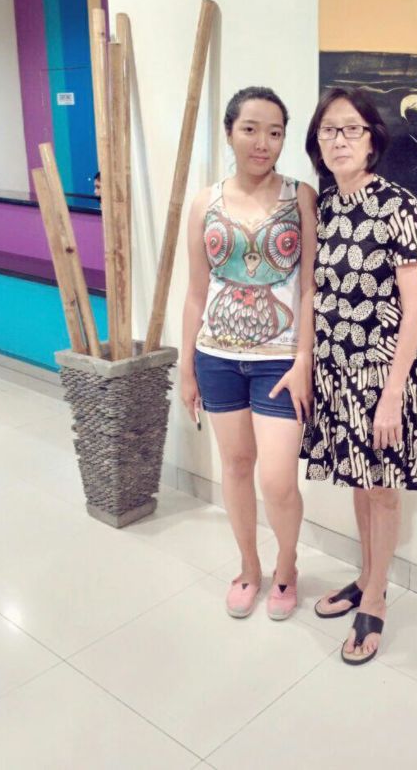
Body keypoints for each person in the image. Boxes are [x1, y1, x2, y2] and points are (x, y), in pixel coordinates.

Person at [301, 87, 417, 664]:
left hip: (385, 374)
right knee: (359, 483)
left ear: (372, 140)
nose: (339, 139)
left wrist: (391, 396)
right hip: (338, 370)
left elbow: (415, 309)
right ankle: (367, 576)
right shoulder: (326, 207)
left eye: (351, 129)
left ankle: (376, 600)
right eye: (328, 130)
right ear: (317, 142)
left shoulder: (396, 204)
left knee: (382, 489)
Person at [180, 86, 317, 620]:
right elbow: (196, 292)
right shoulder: (204, 203)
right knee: (236, 467)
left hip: (280, 360)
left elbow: (309, 288)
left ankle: (286, 565)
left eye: (275, 132)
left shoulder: (300, 197)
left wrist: (304, 359)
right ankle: (248, 566)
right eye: (251, 130)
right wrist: (187, 367)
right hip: (216, 357)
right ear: (230, 132)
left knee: (278, 480)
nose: (263, 143)